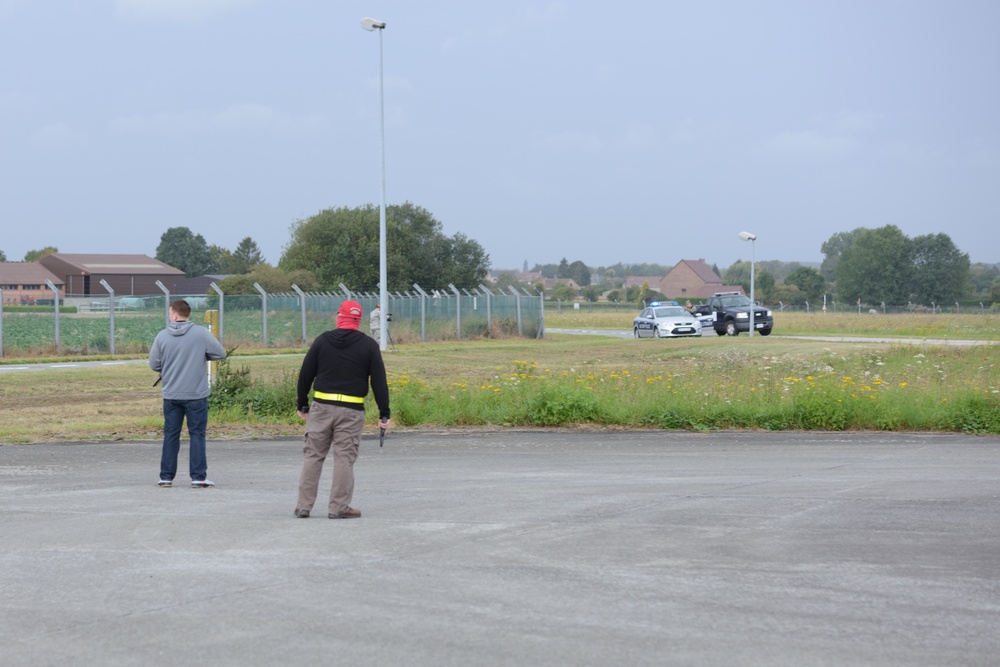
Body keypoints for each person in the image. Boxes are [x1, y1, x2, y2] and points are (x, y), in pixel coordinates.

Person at [295, 300, 391, 519]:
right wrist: (384, 412)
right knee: (344, 459)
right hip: (351, 409)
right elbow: (379, 381)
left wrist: (302, 404)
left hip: (321, 407)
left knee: (313, 456)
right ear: (359, 320)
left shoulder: (322, 341)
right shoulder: (368, 345)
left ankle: (303, 506)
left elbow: (305, 374)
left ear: (339, 316)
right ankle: (338, 508)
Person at [149, 299, 226, 488]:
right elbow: (220, 353)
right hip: (196, 394)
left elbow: (154, 364)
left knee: (171, 435)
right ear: (187, 314)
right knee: (197, 434)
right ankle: (198, 477)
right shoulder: (201, 333)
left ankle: (166, 476)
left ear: (174, 315)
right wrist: (202, 355)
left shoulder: (162, 336)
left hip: (171, 394)